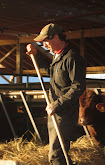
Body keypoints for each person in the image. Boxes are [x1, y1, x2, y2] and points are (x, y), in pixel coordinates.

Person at [26, 23, 86, 165]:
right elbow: (52, 72)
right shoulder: (58, 57)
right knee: (59, 153)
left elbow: (78, 87)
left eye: (46, 40)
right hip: (55, 110)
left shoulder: (72, 58)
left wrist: (57, 105)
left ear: (57, 37)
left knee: (56, 155)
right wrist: (36, 56)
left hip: (64, 112)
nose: (45, 45)